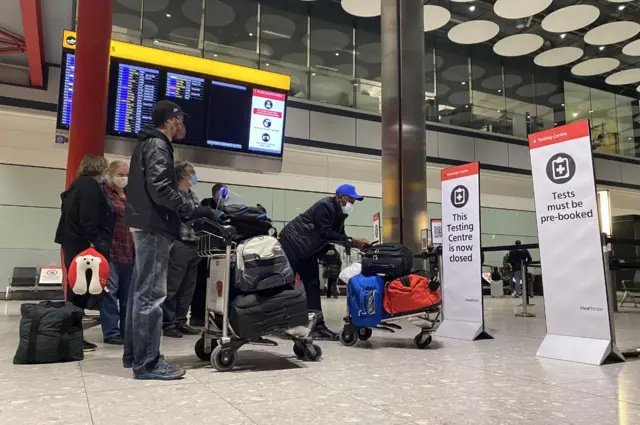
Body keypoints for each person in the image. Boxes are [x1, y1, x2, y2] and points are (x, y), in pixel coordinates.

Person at [124, 100, 217, 380]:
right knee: (152, 296)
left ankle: (134, 355)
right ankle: (148, 363)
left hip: (144, 225)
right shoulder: (158, 144)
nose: (183, 125)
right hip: (154, 226)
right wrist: (190, 209)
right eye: (181, 119)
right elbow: (161, 188)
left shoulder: (145, 145)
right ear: (171, 120)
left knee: (139, 294)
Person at [278, 184, 370, 341]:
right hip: (292, 244)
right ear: (340, 197)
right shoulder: (325, 206)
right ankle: (282, 324)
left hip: (307, 251)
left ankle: (317, 326)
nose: (352, 204)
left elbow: (339, 236)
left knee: (313, 284)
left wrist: (357, 245)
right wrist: (353, 241)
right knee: (286, 284)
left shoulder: (339, 215)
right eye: (350, 200)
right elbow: (326, 233)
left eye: (354, 201)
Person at [54, 155, 115, 352]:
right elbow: (88, 217)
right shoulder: (90, 186)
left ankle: (72, 334)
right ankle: (73, 336)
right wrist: (96, 242)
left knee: (76, 288)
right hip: (83, 245)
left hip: (71, 242)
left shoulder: (77, 185)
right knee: (79, 290)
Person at [162, 161, 202, 338]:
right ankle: (167, 322)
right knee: (173, 285)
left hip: (195, 243)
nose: (194, 175)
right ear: (183, 175)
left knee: (188, 287)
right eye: (192, 172)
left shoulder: (193, 195)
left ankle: (180, 320)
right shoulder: (174, 195)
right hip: (179, 242)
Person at [100, 160, 134, 346]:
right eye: (121, 174)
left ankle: (126, 329)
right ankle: (111, 331)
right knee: (110, 293)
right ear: (111, 175)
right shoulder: (105, 193)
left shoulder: (130, 194)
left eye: (127, 175)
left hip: (130, 249)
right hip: (112, 249)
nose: (124, 178)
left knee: (128, 294)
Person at [190, 183, 229, 328]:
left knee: (214, 285)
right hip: (204, 249)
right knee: (200, 284)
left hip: (218, 251)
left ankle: (212, 315)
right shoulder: (206, 205)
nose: (224, 196)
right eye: (222, 193)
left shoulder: (224, 209)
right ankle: (196, 315)